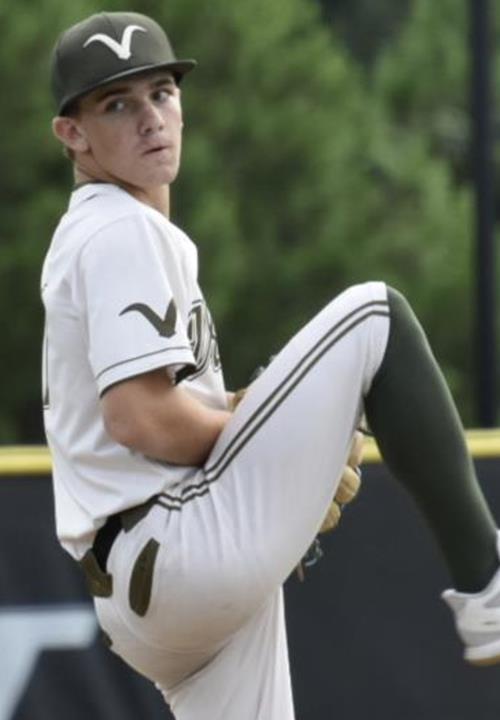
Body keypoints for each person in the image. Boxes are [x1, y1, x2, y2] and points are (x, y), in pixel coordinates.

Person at [42, 11, 500, 720]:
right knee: (376, 316)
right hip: (173, 548)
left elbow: (153, 415)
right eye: (117, 105)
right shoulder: (118, 228)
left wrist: (265, 440)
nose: (151, 117)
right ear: (72, 134)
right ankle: (489, 586)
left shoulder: (100, 231)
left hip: (141, 590)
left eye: (161, 92)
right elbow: (139, 418)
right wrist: (272, 452)